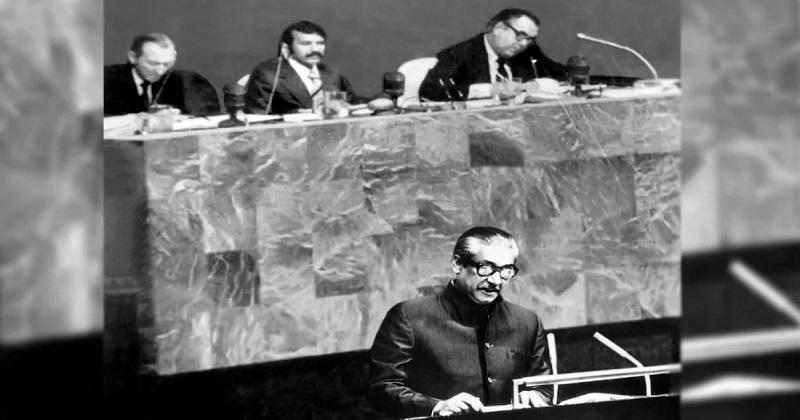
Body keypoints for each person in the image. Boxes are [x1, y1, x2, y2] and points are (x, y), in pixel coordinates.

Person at [366, 226, 553, 419]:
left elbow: (543, 386)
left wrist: (535, 395)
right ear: (457, 264)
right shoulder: (409, 316)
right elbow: (381, 387)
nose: (496, 280)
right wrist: (437, 407)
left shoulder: (528, 322)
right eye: (486, 268)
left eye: (506, 270)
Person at [419, 8, 567, 101]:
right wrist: (490, 90)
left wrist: (536, 84)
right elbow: (430, 90)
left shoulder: (528, 51)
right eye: (520, 36)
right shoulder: (461, 53)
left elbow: (563, 74)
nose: (524, 44)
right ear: (499, 28)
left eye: (530, 39)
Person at [244, 21, 363, 115]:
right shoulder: (269, 74)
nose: (315, 49)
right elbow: (257, 115)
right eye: (306, 44)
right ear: (286, 47)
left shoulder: (330, 72)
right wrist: (298, 114)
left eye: (320, 43)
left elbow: (354, 104)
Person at [104, 33, 219, 116]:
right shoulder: (105, 79)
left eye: (166, 64)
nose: (160, 71)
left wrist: (180, 116)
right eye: (152, 64)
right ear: (133, 57)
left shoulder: (186, 82)